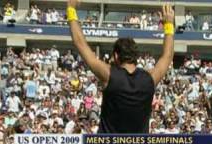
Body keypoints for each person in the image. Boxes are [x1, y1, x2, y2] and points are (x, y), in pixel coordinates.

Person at [67, 0, 174, 133]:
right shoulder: (150, 79)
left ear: (116, 56)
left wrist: (71, 10)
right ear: (135, 56)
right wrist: (169, 24)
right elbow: (167, 56)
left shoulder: (109, 75)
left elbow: (80, 44)